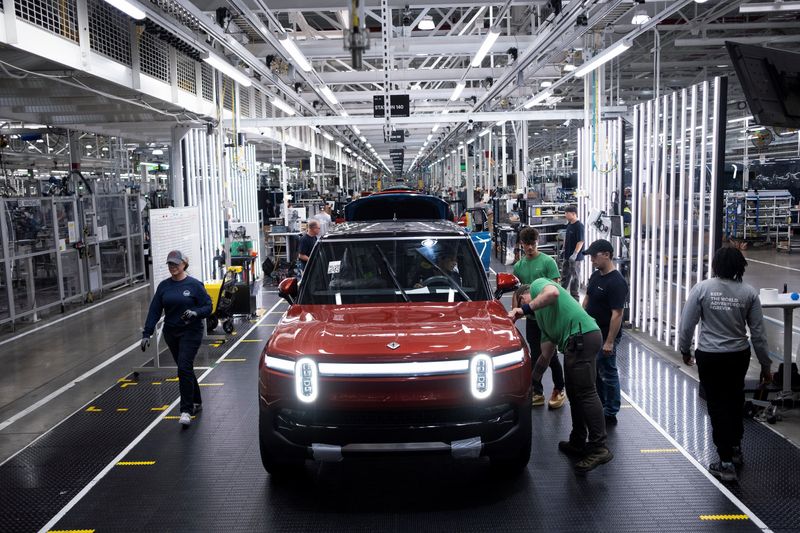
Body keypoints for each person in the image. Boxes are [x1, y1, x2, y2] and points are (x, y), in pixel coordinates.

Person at [679, 246, 771, 482]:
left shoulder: (702, 289)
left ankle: (726, 461)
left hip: (710, 356)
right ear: (741, 267)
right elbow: (759, 334)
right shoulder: (749, 293)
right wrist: (765, 364)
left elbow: (687, 324)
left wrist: (685, 350)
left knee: (717, 406)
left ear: (715, 266)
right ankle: (736, 448)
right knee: (735, 399)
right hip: (738, 355)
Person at [509, 278, 612, 473]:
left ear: (524, 295)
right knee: (574, 394)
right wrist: (530, 383)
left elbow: (553, 294)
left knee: (586, 393)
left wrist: (524, 309)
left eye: (520, 304)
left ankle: (599, 447)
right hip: (575, 344)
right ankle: (578, 440)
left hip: (584, 337)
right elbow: (545, 357)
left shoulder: (539, 285)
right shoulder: (542, 321)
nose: (523, 312)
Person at [141, 250, 212, 427]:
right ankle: (197, 401)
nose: (172, 267)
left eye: (175, 264)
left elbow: (208, 306)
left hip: (191, 332)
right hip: (171, 333)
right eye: (170, 264)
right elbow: (154, 311)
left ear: (183, 264)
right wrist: (147, 333)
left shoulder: (195, 285)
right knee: (185, 368)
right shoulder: (164, 287)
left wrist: (196, 312)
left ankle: (186, 410)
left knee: (183, 367)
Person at [512, 227, 566, 410]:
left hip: (548, 318)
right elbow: (518, 292)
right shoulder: (518, 266)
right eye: (527, 245)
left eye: (533, 244)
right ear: (521, 244)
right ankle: (537, 391)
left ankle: (559, 388)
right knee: (534, 355)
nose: (530, 248)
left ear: (538, 242)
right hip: (532, 319)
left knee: (550, 356)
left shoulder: (548, 262)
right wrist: (515, 312)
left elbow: (555, 290)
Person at [583, 239, 628, 426]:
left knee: (608, 372)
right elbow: (587, 299)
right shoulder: (595, 276)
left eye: (595, 256)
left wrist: (609, 341)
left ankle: (611, 411)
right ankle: (601, 405)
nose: (592, 259)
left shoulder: (617, 282)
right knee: (595, 372)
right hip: (592, 333)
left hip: (606, 335)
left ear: (607, 255)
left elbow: (617, 314)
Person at [561, 205, 585, 300]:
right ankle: (561, 293)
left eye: (567, 213)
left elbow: (580, 241)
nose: (565, 215)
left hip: (576, 258)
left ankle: (575, 298)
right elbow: (567, 238)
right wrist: (563, 248)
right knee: (565, 275)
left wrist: (575, 254)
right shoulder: (570, 224)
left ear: (574, 214)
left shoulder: (579, 226)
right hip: (567, 255)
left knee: (575, 277)